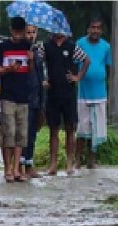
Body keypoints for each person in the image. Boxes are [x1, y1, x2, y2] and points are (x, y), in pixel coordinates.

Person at [40, 28, 88, 175]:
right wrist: (43, 79)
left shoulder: (72, 46)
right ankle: (53, 164)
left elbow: (86, 60)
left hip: (68, 92)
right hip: (53, 92)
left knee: (69, 128)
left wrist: (77, 77)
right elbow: (37, 62)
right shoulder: (45, 46)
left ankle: (69, 163)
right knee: (53, 129)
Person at [0, 16, 34, 182]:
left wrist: (31, 61)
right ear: (11, 31)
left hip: (23, 96)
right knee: (8, 133)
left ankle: (17, 168)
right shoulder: (3, 47)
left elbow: (31, 71)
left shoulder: (28, 47)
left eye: (21, 32)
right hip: (7, 95)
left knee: (21, 135)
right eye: (16, 32)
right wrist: (9, 69)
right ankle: (7, 169)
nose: (19, 35)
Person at [76, 16, 111, 168]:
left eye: (98, 28)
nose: (95, 31)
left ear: (101, 30)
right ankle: (77, 160)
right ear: (88, 29)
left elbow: (107, 68)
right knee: (82, 129)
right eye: (93, 27)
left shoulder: (106, 47)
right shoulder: (80, 44)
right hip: (83, 93)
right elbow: (73, 65)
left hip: (100, 93)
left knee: (96, 129)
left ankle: (91, 160)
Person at [20, 24, 49, 178]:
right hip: (24, 98)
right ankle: (19, 166)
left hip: (37, 98)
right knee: (22, 134)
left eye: (33, 32)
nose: (31, 35)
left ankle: (29, 165)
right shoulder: (21, 51)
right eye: (28, 32)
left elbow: (39, 75)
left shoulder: (38, 52)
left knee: (32, 134)